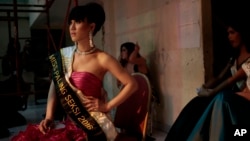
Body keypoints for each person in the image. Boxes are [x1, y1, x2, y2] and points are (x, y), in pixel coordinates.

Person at [11, 2, 137, 141]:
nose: (71, 27)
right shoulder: (64, 55)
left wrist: (107, 105)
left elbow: (132, 84)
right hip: (69, 123)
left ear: (91, 27)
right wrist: (49, 117)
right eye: (70, 22)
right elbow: (56, 85)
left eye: (77, 22)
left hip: (93, 125)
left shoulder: (103, 58)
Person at [165, 18, 250, 141]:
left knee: (220, 99)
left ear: (242, 33)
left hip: (240, 99)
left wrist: (212, 92)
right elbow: (220, 77)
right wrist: (204, 87)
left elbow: (231, 80)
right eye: (228, 33)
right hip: (235, 95)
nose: (229, 37)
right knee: (197, 102)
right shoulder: (234, 57)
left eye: (232, 33)